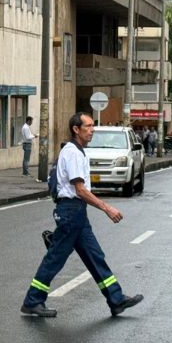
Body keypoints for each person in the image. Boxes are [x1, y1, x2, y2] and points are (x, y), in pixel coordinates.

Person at [20, 112, 144, 318]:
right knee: (55, 259)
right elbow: (80, 189)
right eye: (88, 126)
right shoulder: (73, 153)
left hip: (76, 212)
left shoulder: (77, 151)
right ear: (76, 129)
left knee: (95, 257)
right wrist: (107, 208)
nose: (92, 130)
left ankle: (116, 299)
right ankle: (33, 300)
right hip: (71, 212)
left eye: (93, 126)